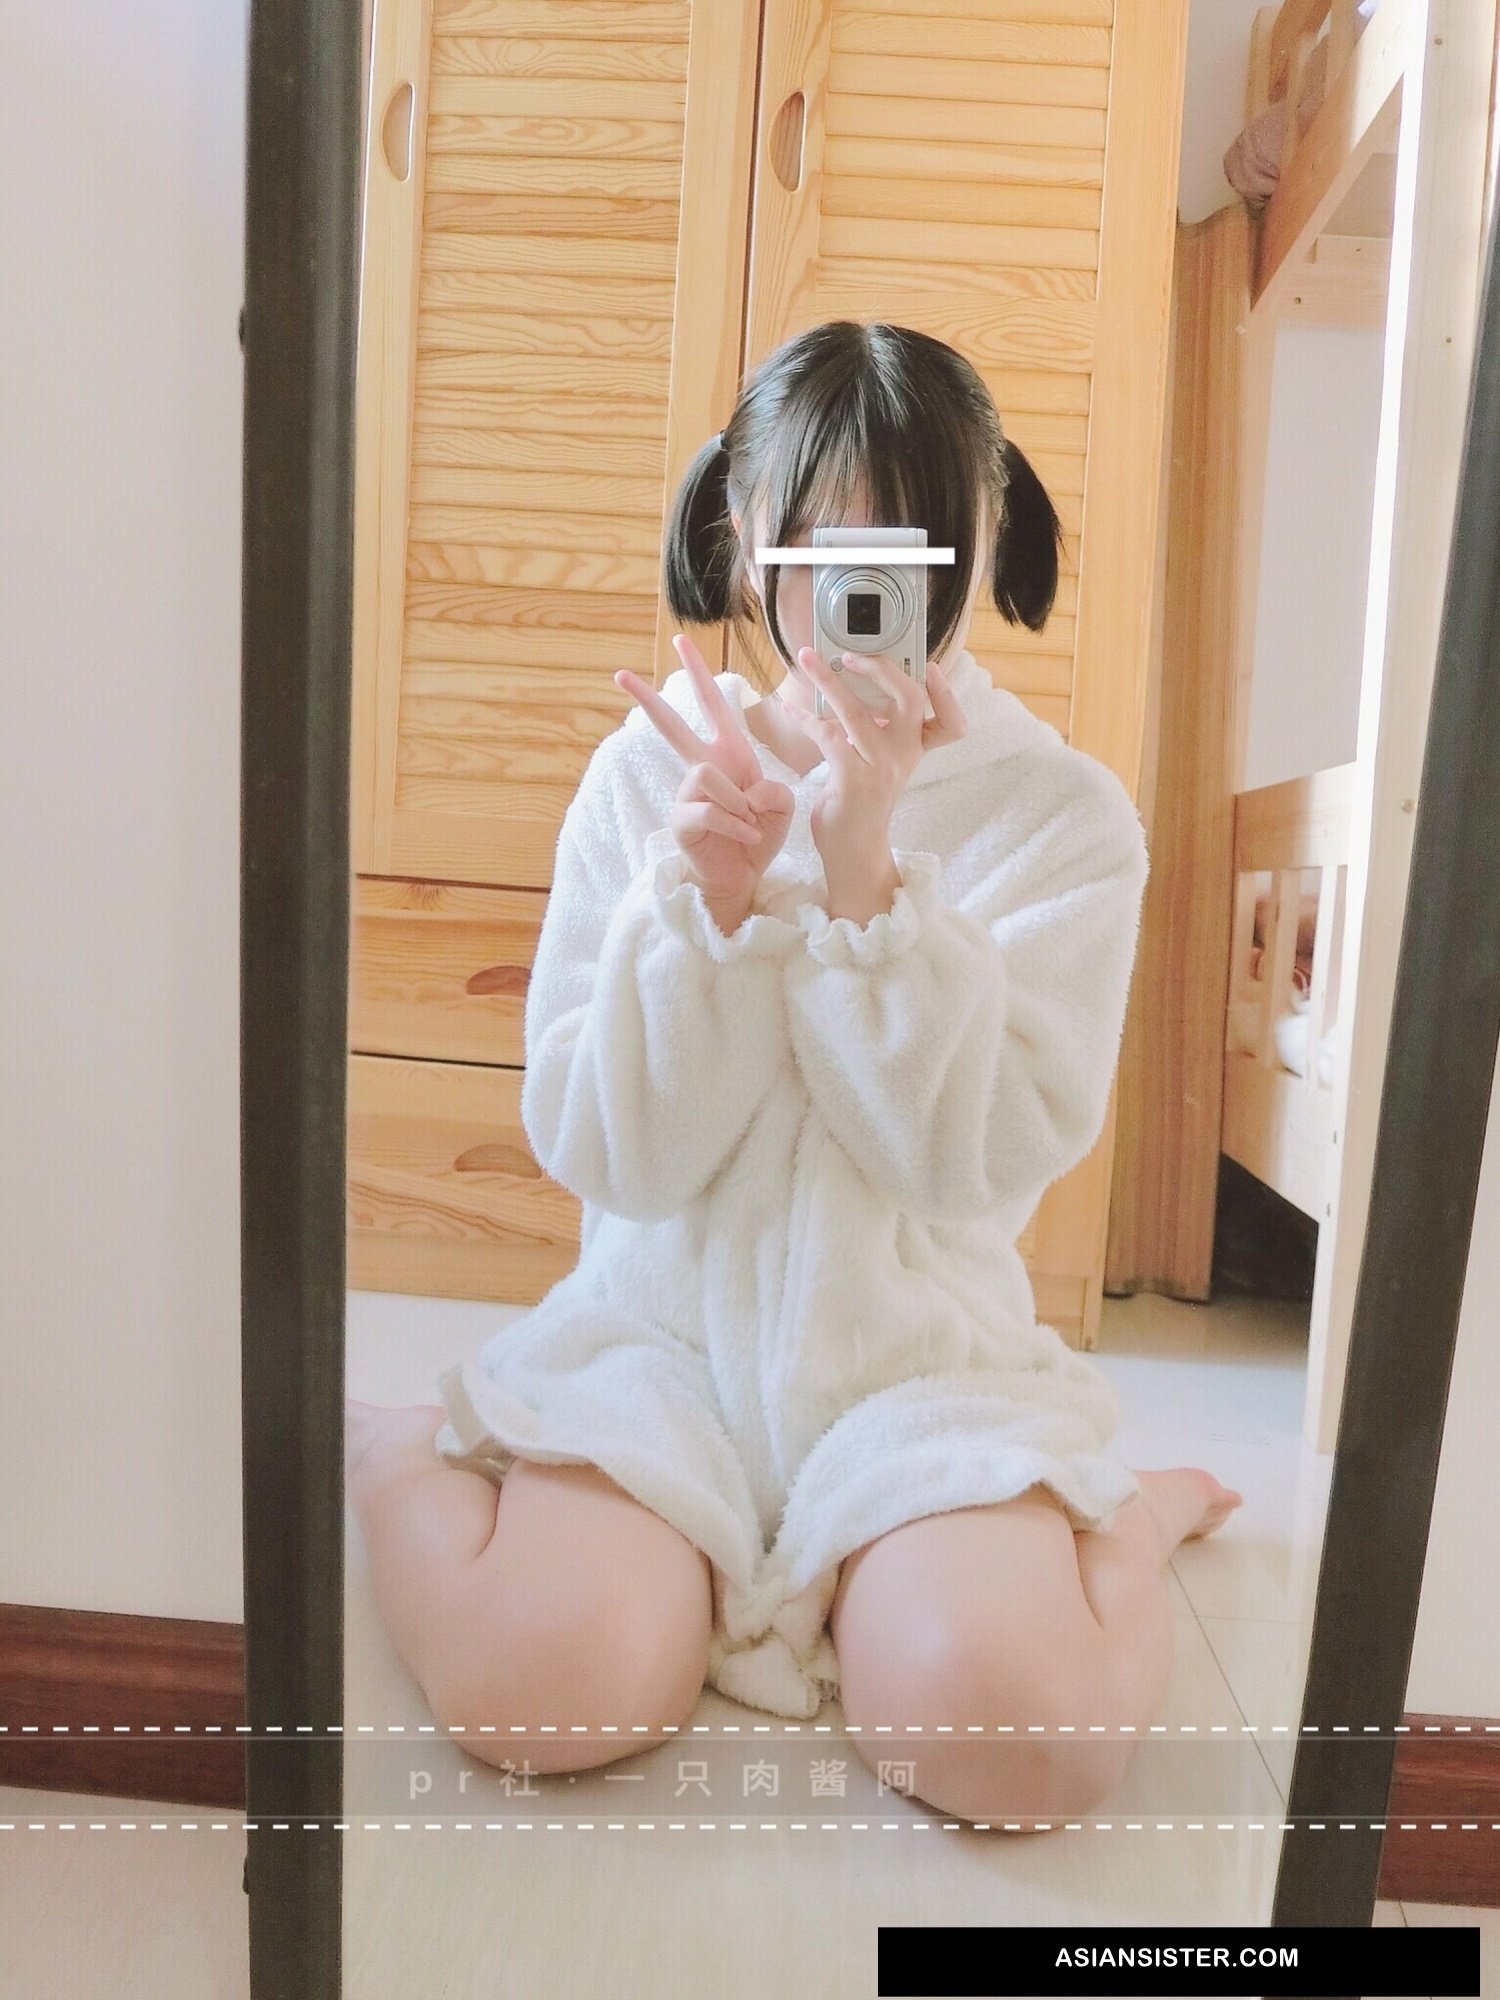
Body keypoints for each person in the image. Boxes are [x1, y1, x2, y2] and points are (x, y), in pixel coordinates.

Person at [346, 321, 1240, 1827]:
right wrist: (704, 913)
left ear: (975, 546)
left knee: (1016, 1737)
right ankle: (393, 1457)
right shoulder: (654, 773)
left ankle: (1129, 1524)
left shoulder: (1061, 815)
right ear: (745, 534)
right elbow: (602, 1152)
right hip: (658, 1347)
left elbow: (978, 1160)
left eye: (901, 546)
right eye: (818, 546)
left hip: (921, 1367)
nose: (856, 594)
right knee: (544, 1683)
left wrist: (866, 879)